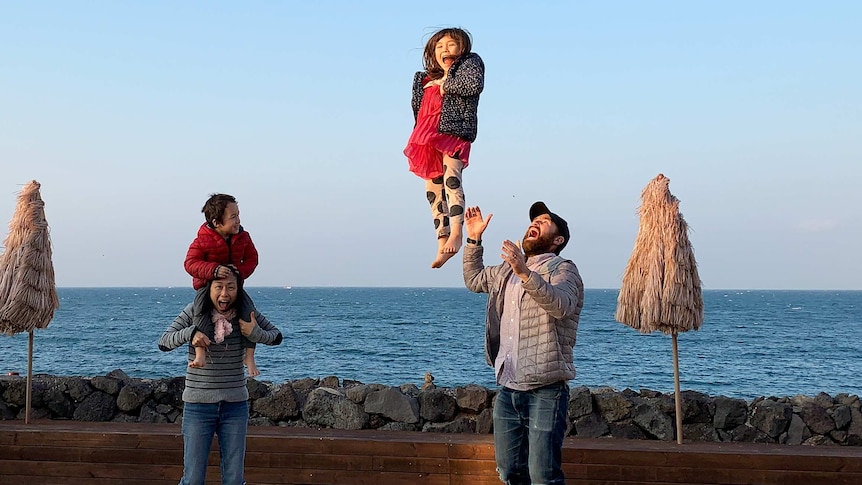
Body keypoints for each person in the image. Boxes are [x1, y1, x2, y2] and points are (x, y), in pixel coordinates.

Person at [463, 201, 584, 485]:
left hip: (546, 389)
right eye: (534, 220)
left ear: (557, 240)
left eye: (544, 221)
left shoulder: (563, 269)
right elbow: (474, 279)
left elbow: (562, 305)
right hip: (508, 387)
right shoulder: (507, 271)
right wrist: (473, 239)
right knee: (510, 473)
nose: (536, 223)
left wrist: (525, 273)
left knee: (544, 476)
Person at [159, 267, 283, 485]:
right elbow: (164, 342)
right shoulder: (193, 312)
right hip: (198, 405)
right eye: (219, 287)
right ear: (209, 288)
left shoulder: (246, 314)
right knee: (193, 479)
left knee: (234, 479)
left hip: (235, 406)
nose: (224, 294)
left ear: (239, 289)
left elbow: (276, 337)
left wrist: (255, 334)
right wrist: (191, 333)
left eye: (231, 287)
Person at [404, 27, 485, 269]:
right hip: (427, 134)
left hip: (455, 131)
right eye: (439, 47)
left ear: (462, 47)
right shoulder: (423, 78)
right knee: (432, 188)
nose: (445, 50)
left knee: (452, 180)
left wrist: (444, 83)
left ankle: (457, 233)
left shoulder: (469, 64)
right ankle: (441, 238)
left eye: (450, 45)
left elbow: (473, 86)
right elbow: (417, 108)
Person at [184, 193, 262, 377]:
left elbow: (253, 258)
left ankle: (249, 356)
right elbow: (190, 263)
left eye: (238, 215)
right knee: (200, 313)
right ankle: (200, 353)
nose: (238, 220)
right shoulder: (203, 240)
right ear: (217, 222)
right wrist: (213, 270)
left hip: (234, 288)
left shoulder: (243, 237)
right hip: (207, 287)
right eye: (233, 217)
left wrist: (240, 272)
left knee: (249, 312)